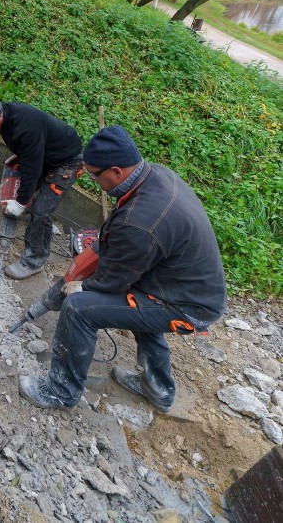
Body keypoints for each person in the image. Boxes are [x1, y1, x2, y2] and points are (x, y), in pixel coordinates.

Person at [18, 126, 227, 411]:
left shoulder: (140, 223)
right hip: (182, 282)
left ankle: (60, 391)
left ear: (116, 171)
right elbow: (116, 239)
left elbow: (109, 284)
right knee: (141, 307)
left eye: (94, 174)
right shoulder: (154, 176)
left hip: (187, 306)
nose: (91, 179)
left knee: (79, 309)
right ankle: (158, 389)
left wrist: (74, 289)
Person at [0, 94, 83, 279]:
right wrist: (20, 157)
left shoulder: (25, 126)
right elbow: (30, 154)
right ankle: (33, 227)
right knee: (29, 196)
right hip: (46, 155)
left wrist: (20, 202)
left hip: (67, 162)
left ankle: (34, 261)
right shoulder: (6, 118)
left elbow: (33, 170)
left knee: (40, 210)